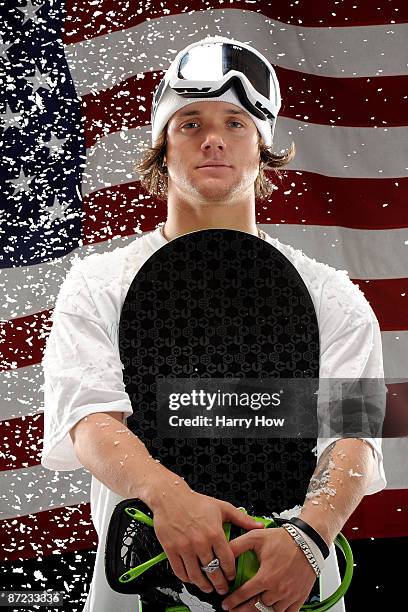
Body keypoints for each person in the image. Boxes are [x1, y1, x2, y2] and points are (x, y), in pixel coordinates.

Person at [41, 36, 387, 612]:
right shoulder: (98, 284)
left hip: (293, 578)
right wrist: (168, 497)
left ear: (262, 145)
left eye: (235, 122)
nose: (213, 139)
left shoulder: (333, 297)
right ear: (161, 146)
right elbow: (88, 419)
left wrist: (309, 535)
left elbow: (354, 438)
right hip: (142, 581)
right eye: (189, 123)